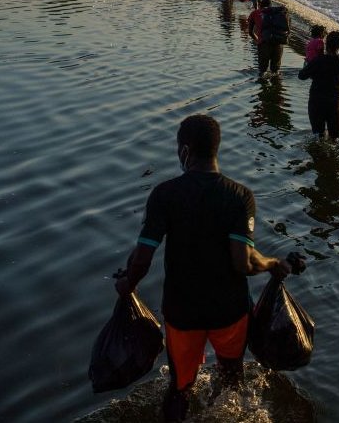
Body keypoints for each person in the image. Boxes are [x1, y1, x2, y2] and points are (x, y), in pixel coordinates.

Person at [113, 114, 296, 422]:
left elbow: (142, 258)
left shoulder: (165, 194)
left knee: (179, 388)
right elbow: (244, 261)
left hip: (182, 312)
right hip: (229, 311)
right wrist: (275, 264)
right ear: (216, 148)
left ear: (185, 151)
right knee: (231, 381)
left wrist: (126, 284)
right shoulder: (239, 196)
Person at [298, 30, 339, 139]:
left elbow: (301, 76)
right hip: (335, 103)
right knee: (335, 138)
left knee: (318, 136)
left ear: (327, 45)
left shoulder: (318, 60)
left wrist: (308, 64)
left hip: (317, 102)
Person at [247, 0, 284, 76]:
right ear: (271, 6)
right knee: (276, 71)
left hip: (263, 43)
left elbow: (250, 32)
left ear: (260, 5)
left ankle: (263, 86)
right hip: (278, 43)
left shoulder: (255, 13)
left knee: (262, 71)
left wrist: (257, 40)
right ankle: (276, 86)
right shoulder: (278, 13)